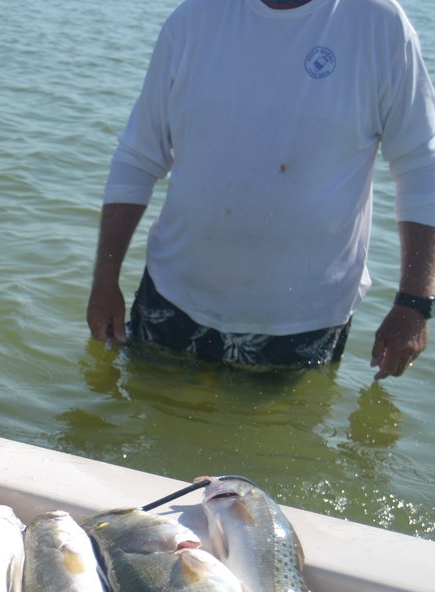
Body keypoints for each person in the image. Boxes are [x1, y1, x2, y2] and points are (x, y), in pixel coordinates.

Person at [87, 0, 435, 379]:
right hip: (172, 299)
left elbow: (422, 168)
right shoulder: (193, 18)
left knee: (282, 422)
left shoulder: (380, 25)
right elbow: (138, 157)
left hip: (303, 322)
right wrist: (105, 280)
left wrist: (414, 303)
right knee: (145, 413)